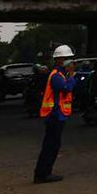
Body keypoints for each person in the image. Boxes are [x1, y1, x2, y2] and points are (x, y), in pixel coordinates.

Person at [33, 44, 77, 184]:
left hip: (58, 114)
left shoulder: (60, 74)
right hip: (54, 115)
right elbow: (67, 88)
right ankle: (42, 174)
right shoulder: (56, 76)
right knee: (51, 146)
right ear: (59, 60)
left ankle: (45, 172)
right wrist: (72, 76)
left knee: (53, 145)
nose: (71, 62)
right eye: (67, 58)